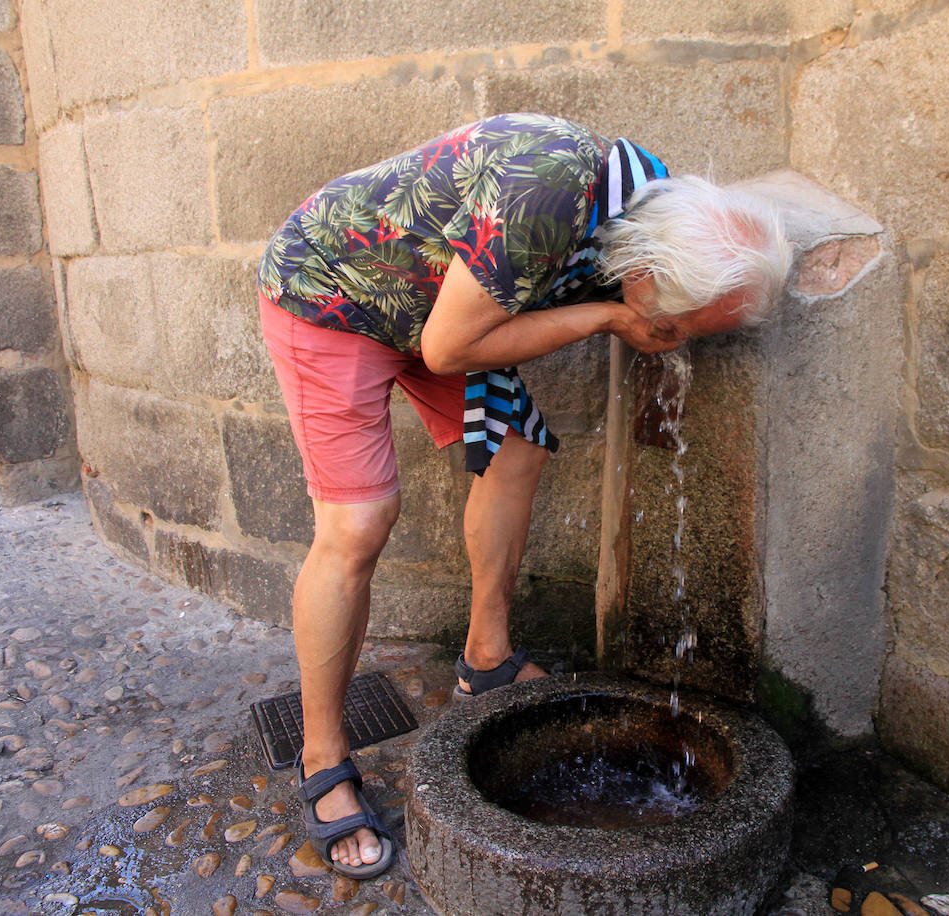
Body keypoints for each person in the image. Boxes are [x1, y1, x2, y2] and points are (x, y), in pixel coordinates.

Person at [256, 112, 790, 878]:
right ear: (642, 275)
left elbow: (459, 326)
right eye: (674, 327)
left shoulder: (655, 209)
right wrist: (611, 316)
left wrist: (646, 315)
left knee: (517, 455)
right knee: (359, 523)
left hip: (440, 302)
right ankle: (324, 755)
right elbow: (449, 350)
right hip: (332, 294)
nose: (676, 342)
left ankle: (488, 658)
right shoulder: (551, 197)